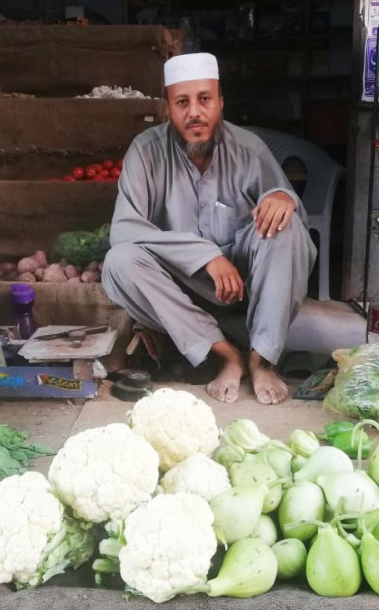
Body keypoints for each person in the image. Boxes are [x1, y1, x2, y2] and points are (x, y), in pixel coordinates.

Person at [101, 52, 316, 405]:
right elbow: (124, 229)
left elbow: (281, 201)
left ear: (220, 103)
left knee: (286, 227)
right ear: (167, 108)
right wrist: (205, 256)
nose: (194, 113)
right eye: (182, 102)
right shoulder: (146, 151)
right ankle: (227, 355)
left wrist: (281, 196)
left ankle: (262, 360)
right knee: (120, 261)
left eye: (204, 99)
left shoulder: (249, 148)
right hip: (178, 288)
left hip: (246, 285)